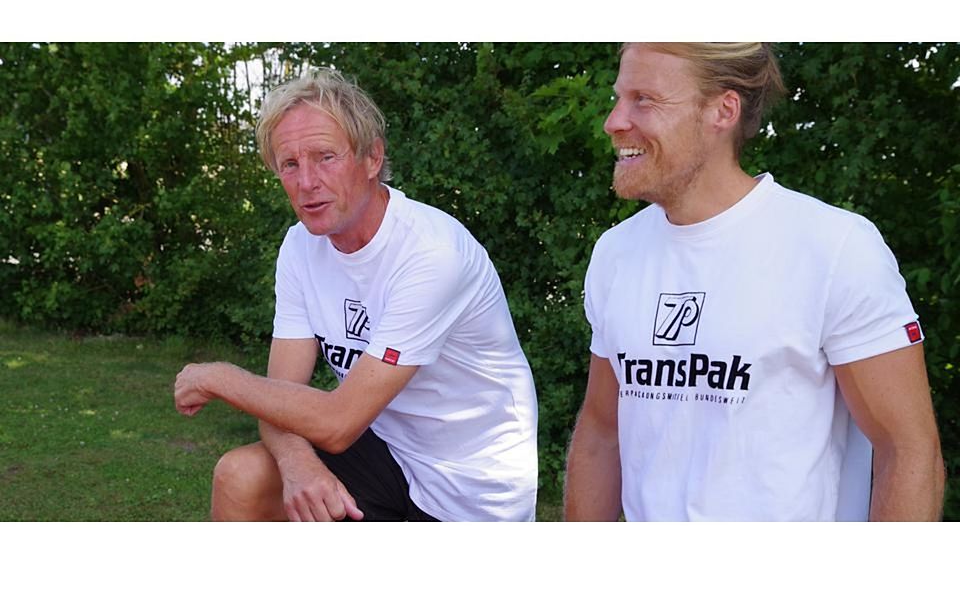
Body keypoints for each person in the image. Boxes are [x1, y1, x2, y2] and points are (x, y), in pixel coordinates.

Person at [564, 43, 945, 521]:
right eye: (619, 97)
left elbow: (908, 449)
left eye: (644, 99)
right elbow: (602, 432)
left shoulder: (833, 247)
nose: (614, 121)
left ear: (722, 110)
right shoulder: (616, 253)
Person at [174, 68, 538, 522]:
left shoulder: (430, 252)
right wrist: (298, 464)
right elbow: (280, 395)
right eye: (290, 164)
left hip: (472, 487)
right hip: (388, 452)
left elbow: (338, 422)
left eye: (325, 157)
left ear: (371, 159)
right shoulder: (300, 246)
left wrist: (218, 378)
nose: (306, 182)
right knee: (241, 475)